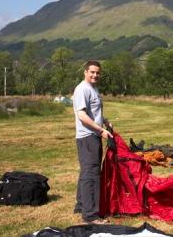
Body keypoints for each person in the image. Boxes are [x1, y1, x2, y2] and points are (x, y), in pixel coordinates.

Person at [73, 60, 113, 224]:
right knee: (91, 174)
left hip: (93, 134)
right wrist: (100, 130)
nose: (95, 75)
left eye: (97, 72)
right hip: (88, 136)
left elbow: (93, 112)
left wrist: (105, 121)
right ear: (85, 72)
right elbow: (82, 116)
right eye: (92, 72)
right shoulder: (82, 89)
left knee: (87, 172)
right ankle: (90, 216)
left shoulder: (93, 89)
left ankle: (81, 205)